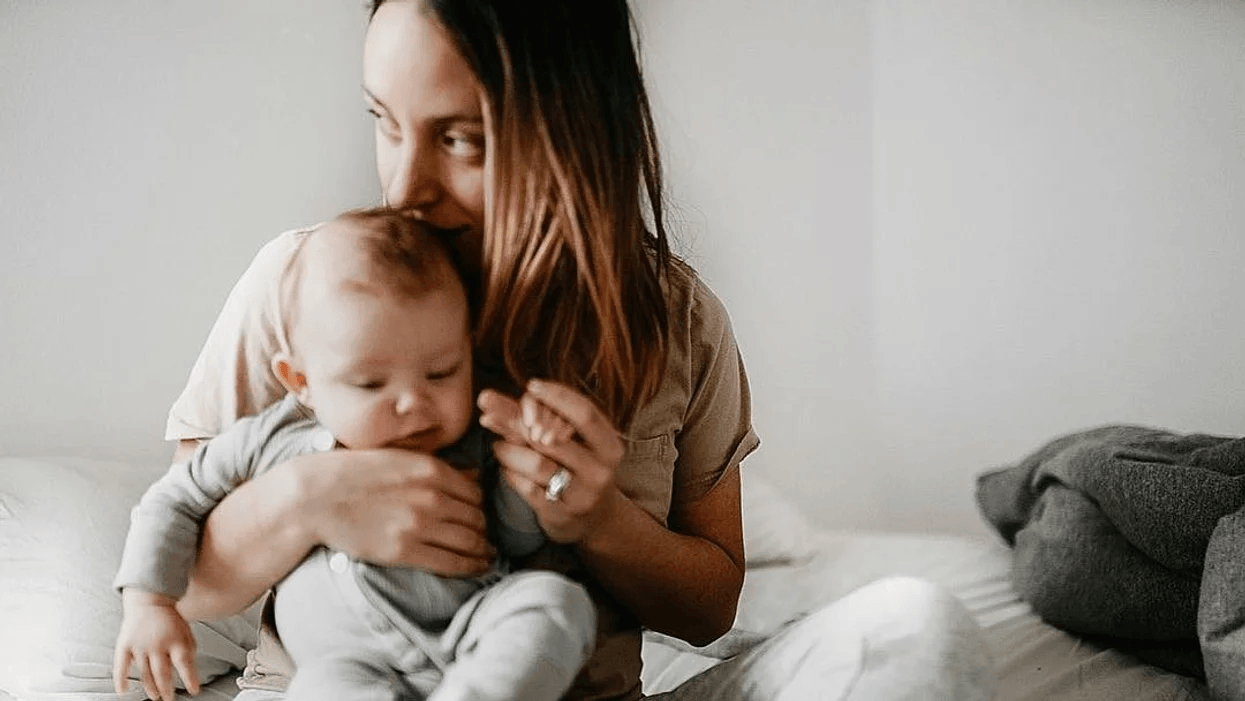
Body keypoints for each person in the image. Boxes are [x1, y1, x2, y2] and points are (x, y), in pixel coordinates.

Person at [166, 1, 997, 699]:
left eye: (459, 139)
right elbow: (187, 581)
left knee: (914, 631)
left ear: (570, 131)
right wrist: (308, 496)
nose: (403, 185)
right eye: (384, 123)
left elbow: (708, 606)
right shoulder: (302, 285)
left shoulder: (675, 319)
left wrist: (600, 521)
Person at [113, 209, 595, 701]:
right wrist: (149, 602)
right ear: (301, 382)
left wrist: (530, 474)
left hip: (468, 637)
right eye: (370, 383)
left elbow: (515, 538)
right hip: (347, 667)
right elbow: (173, 500)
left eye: (442, 372)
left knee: (556, 601)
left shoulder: (475, 435)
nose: (413, 403)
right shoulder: (269, 440)